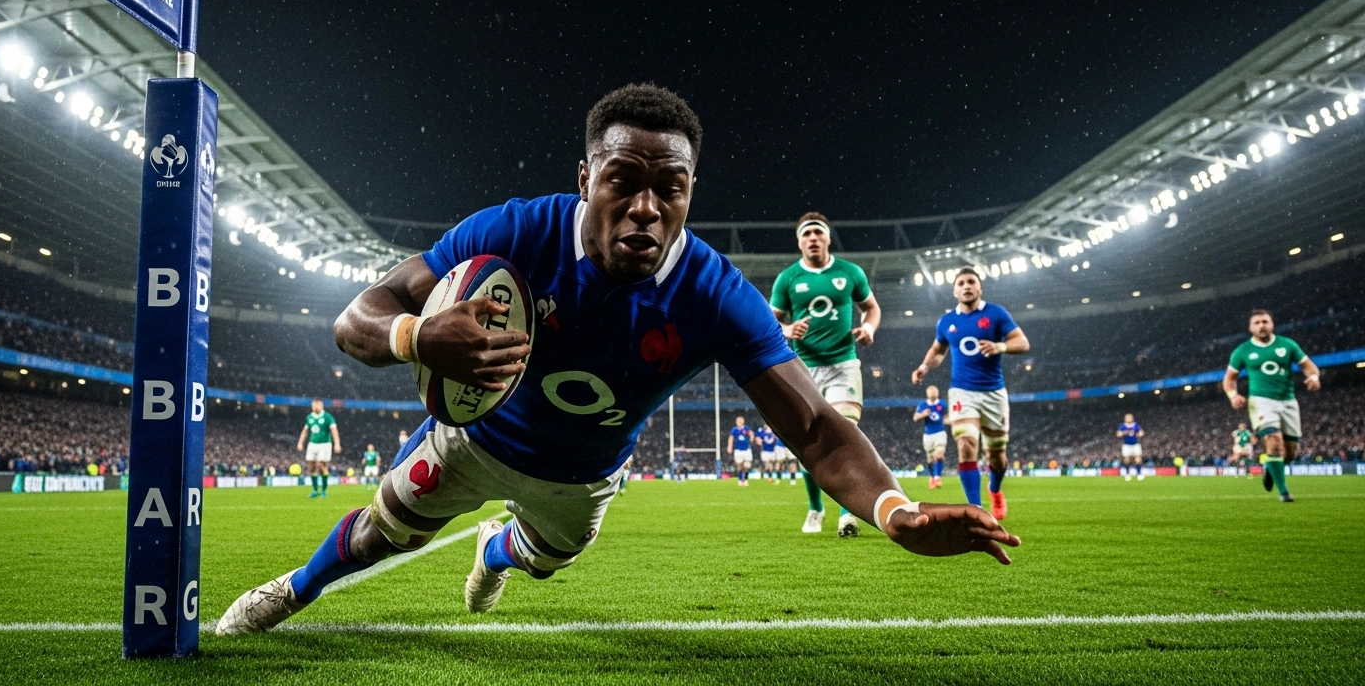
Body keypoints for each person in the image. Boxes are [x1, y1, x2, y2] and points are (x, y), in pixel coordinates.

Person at [217, 84, 1019, 636]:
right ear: (585, 179)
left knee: (539, 562)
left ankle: (498, 551)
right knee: (379, 534)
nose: (646, 206)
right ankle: (292, 590)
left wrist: (895, 512)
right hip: (475, 439)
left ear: (691, 192)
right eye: (622, 181)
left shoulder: (714, 293)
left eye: (669, 187)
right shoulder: (517, 232)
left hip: (583, 479)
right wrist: (417, 338)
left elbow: (812, 426)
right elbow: (358, 317)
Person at [770, 212, 881, 537]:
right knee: (808, 442)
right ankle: (816, 508)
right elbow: (770, 320)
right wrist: (788, 328)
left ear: (828, 238)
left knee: (845, 432)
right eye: (807, 234)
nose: (813, 238)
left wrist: (870, 328)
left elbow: (871, 308)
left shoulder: (850, 273)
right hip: (804, 369)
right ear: (799, 241)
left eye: (818, 233)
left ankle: (848, 514)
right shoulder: (788, 279)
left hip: (843, 363)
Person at [911, 267, 1029, 520]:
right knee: (966, 444)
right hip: (962, 391)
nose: (966, 286)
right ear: (954, 290)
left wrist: (1000, 346)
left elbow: (1022, 342)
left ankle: (995, 489)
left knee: (996, 457)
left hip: (994, 393)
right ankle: (977, 510)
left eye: (971, 282)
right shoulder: (946, 322)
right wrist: (923, 367)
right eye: (961, 283)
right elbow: (937, 351)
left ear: (979, 287)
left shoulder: (996, 314)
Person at [1222, 309, 1321, 503]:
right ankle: (1284, 492)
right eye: (1257, 322)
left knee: (1290, 452)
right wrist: (1233, 395)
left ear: (1272, 324)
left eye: (1265, 321)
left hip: (1288, 401)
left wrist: (1314, 376)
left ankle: (1270, 468)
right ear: (1251, 327)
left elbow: (1308, 365)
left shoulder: (1288, 345)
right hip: (1260, 401)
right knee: (1273, 439)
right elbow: (1229, 379)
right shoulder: (1242, 351)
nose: (1262, 325)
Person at [296, 399, 341, 499]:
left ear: (322, 406)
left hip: (325, 444)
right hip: (312, 444)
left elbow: (334, 431)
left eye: (318, 405)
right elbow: (305, 431)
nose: (316, 407)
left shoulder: (327, 417)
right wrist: (300, 442)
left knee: (321, 466)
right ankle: (315, 490)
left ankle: (324, 490)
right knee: (310, 467)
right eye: (314, 405)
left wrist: (337, 443)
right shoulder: (309, 417)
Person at [913, 385, 947, 489]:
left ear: (938, 392)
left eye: (934, 391)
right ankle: (932, 477)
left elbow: (946, 417)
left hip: (940, 432)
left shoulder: (943, 404)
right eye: (930, 391)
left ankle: (937, 477)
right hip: (928, 435)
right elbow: (915, 418)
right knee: (930, 459)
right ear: (927, 393)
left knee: (940, 454)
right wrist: (923, 414)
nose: (933, 393)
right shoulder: (923, 405)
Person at [727, 415, 755, 487]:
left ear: (743, 421)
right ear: (736, 422)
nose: (739, 422)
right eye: (738, 420)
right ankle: (740, 480)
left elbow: (751, 433)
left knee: (746, 465)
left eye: (740, 420)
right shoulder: (734, 430)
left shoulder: (746, 428)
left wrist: (752, 438)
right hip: (738, 450)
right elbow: (731, 438)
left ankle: (745, 479)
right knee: (739, 465)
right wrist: (729, 447)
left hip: (746, 450)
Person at [1117, 414, 1144, 481]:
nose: (1128, 419)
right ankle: (1127, 474)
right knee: (1126, 460)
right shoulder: (1122, 426)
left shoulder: (1136, 425)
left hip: (1135, 444)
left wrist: (1139, 434)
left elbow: (1141, 432)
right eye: (1127, 418)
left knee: (1138, 458)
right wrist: (1124, 433)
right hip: (1126, 445)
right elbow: (1118, 434)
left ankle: (1139, 474)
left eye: (1130, 417)